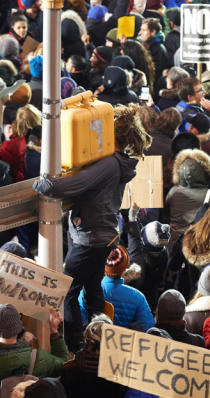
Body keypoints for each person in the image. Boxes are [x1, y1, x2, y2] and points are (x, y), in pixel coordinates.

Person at [33, 104, 150, 349]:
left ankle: (75, 344)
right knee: (92, 287)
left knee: (66, 292)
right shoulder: (118, 162)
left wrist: (44, 184)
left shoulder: (107, 164)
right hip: (104, 236)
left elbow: (63, 187)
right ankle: (99, 341)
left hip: (90, 238)